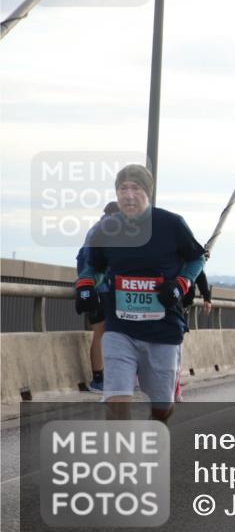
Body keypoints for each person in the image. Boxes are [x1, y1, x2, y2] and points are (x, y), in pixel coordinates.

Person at [74, 164, 205, 422]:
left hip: (162, 329)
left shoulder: (171, 224)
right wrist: (86, 284)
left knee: (162, 406)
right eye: (123, 188)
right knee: (117, 398)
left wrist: (180, 284)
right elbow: (93, 266)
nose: (128, 194)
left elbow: (197, 258)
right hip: (119, 328)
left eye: (136, 188)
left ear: (148, 193)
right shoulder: (106, 230)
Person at [75, 201, 119, 393]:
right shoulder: (103, 232)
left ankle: (102, 378)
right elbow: (90, 264)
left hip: (98, 288)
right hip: (99, 289)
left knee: (104, 333)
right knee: (102, 333)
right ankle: (98, 379)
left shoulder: (99, 230)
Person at [177, 262, 213, 401]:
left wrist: (207, 298)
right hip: (164, 306)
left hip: (181, 309)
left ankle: (175, 387)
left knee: (176, 349)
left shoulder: (190, 257)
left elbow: (200, 275)